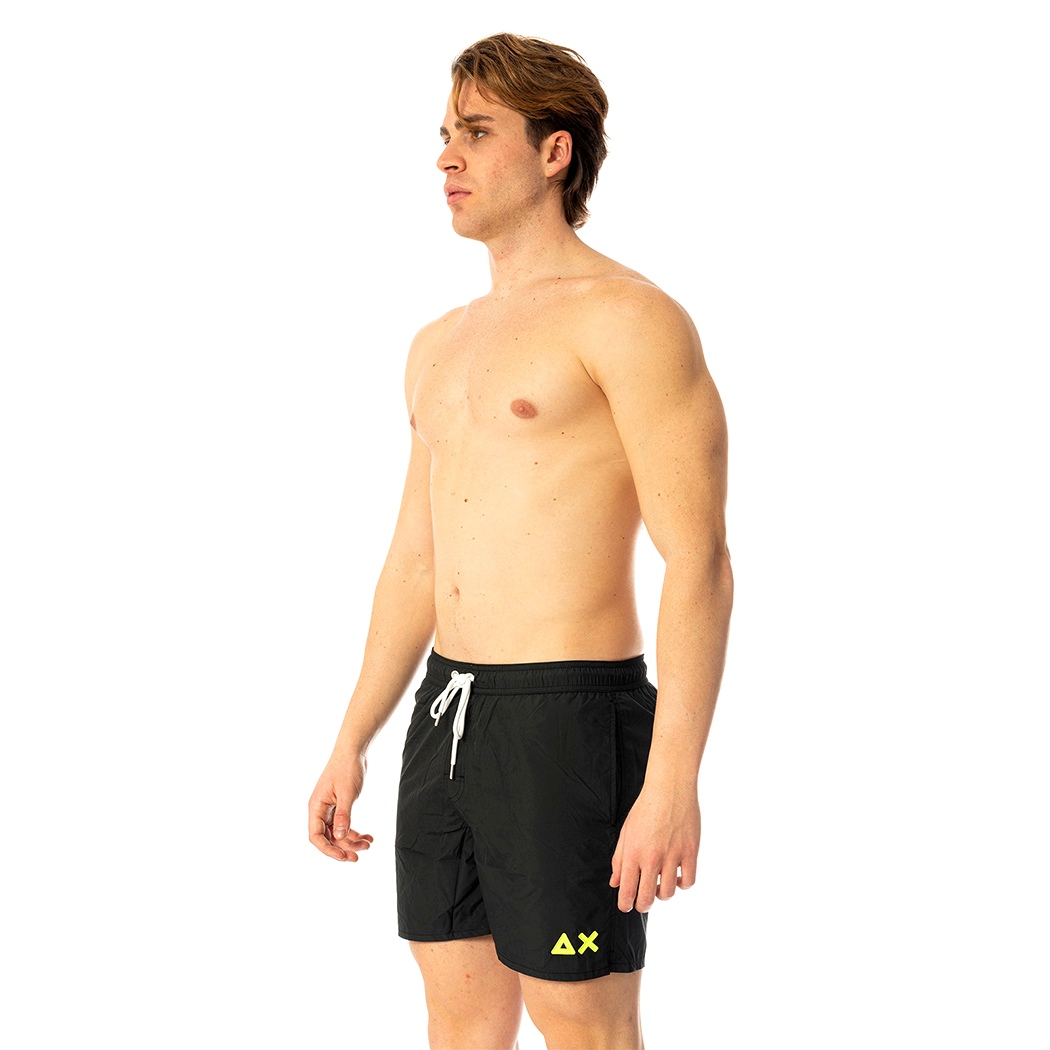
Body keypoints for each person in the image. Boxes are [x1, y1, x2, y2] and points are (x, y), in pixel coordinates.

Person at [308, 32, 733, 1050]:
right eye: (444, 133)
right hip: (447, 710)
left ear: (554, 152)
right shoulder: (437, 344)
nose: (445, 157)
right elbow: (416, 562)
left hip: (569, 716)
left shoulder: (630, 319)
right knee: (458, 1013)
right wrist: (351, 737)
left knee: (581, 1017)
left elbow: (699, 561)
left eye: (476, 132)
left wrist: (673, 776)